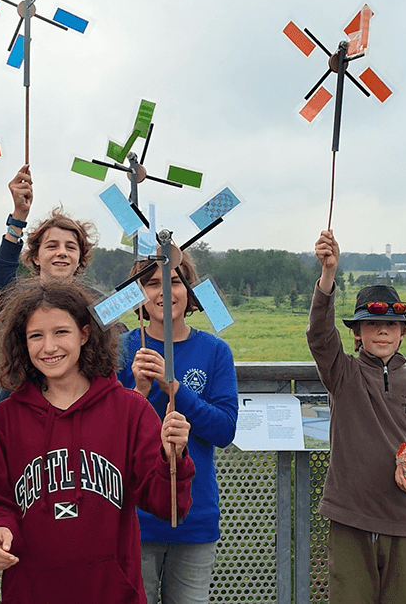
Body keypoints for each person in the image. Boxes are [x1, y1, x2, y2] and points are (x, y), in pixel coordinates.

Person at [0, 278, 194, 603]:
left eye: (61, 332)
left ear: (84, 334)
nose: (49, 347)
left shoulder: (130, 411)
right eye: (36, 335)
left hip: (113, 592)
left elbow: (167, 506)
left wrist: (173, 458)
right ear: (23, 342)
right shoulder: (7, 419)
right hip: (31, 592)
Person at [307, 230, 406, 603]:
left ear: (403, 333)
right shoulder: (343, 373)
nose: (382, 330)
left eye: (391, 325)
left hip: (401, 517)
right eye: (370, 324)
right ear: (356, 335)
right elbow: (320, 335)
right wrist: (328, 275)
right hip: (349, 515)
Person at [116, 253, 238, 604]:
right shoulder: (124, 350)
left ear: (189, 290)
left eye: (173, 281)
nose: (164, 292)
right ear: (138, 294)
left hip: (196, 515)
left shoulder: (215, 351)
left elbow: (224, 430)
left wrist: (176, 391)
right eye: (152, 283)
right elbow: (110, 435)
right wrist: (138, 391)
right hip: (134, 517)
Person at [0, 164, 97, 311]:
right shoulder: (19, 302)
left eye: (70, 247)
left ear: (80, 259)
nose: (62, 252)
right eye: (52, 246)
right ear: (35, 257)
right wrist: (19, 216)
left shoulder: (97, 305)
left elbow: (121, 333)